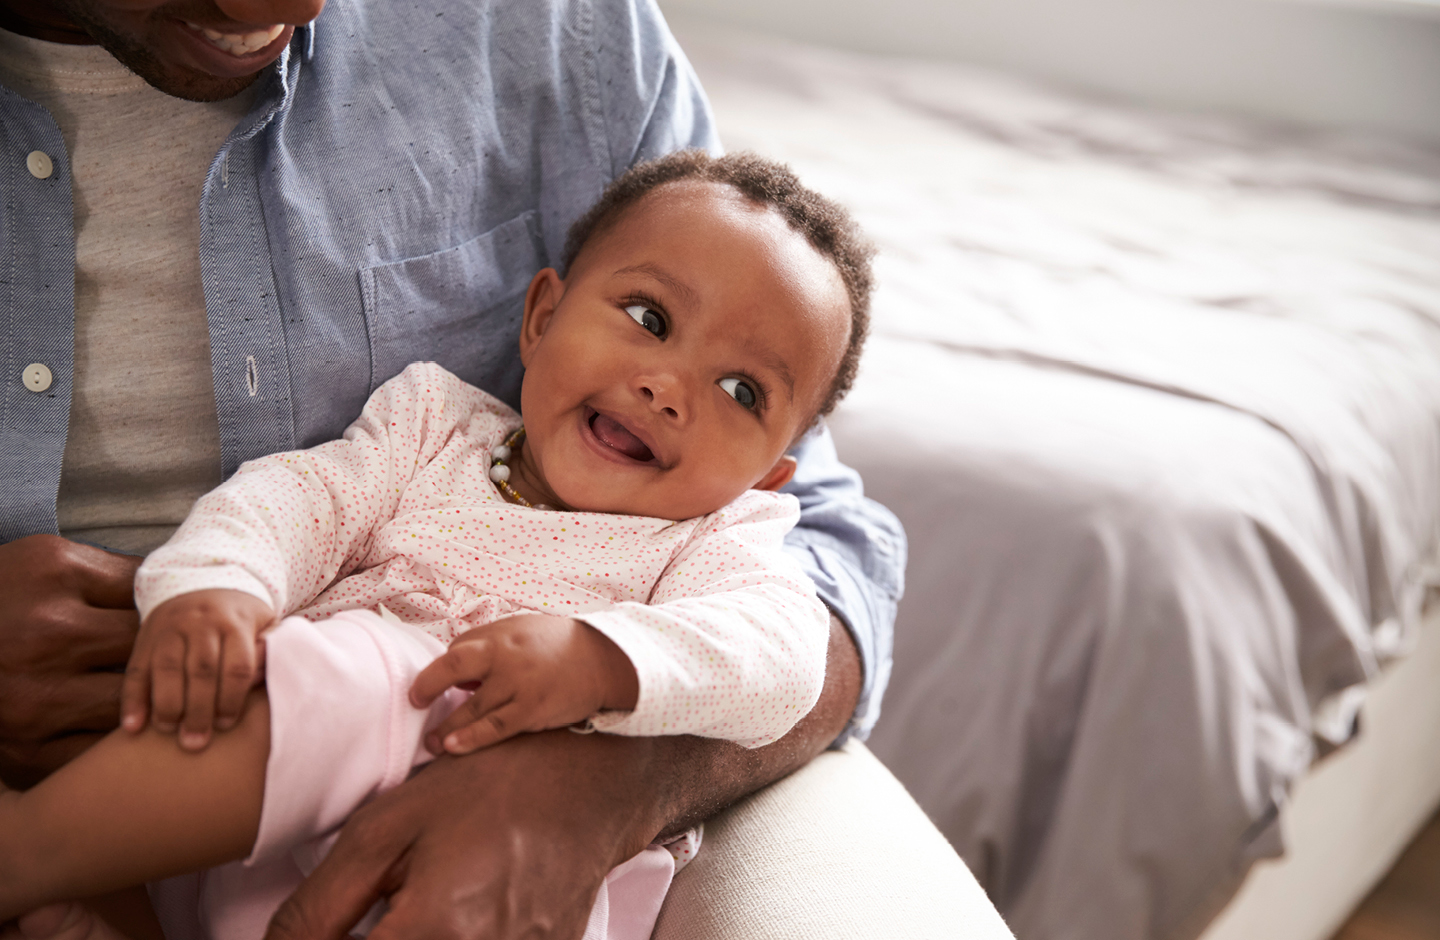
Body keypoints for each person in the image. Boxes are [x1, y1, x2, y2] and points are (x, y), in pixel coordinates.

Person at [0, 1, 905, 938]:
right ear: (541, 318)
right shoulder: (434, 424)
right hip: (236, 811)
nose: (668, 387)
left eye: (741, 391)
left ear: (767, 476)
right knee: (334, 684)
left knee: (378, 679)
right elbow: (302, 501)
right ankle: (41, 862)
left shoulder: (718, 540)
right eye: (649, 319)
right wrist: (217, 586)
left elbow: (782, 652)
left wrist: (606, 665)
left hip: (474, 862)